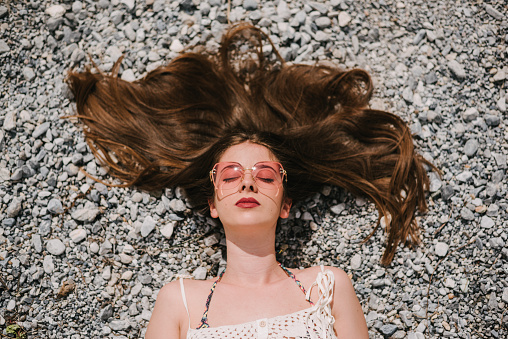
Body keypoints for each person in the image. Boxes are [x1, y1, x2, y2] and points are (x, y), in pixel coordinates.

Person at [67, 23, 433, 338]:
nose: (247, 183)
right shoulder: (179, 300)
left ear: (286, 203)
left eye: (265, 175)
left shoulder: (328, 287)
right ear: (212, 203)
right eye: (229, 175)